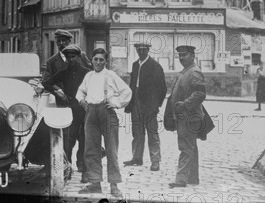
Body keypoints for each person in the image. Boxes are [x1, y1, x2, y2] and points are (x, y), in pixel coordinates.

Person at [76, 48, 132, 198]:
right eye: (96, 59)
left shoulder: (111, 75)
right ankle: (95, 183)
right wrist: (82, 101)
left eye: (101, 59)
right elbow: (80, 91)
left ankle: (114, 185)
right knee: (91, 149)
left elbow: (127, 91)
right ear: (92, 60)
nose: (98, 62)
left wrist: (116, 103)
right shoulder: (88, 76)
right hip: (91, 114)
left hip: (107, 113)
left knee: (111, 149)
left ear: (106, 61)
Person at [42, 44, 91, 181]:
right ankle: (67, 168)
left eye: (73, 56)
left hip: (85, 109)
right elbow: (46, 82)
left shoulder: (87, 72)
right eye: (68, 57)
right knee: (68, 140)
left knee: (86, 139)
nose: (70, 59)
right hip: (70, 110)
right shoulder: (64, 72)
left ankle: (85, 171)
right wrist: (58, 92)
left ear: (79, 57)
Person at [124, 43, 167, 171]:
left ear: (148, 50)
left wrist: (156, 104)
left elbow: (162, 88)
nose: (141, 52)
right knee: (137, 132)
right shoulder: (135, 65)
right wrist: (130, 103)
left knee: (152, 132)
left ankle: (155, 161)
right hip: (136, 101)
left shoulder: (155, 66)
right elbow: (132, 85)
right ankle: (136, 158)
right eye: (139, 50)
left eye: (143, 49)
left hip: (149, 104)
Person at [168, 45, 206, 188]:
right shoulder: (186, 71)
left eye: (184, 55)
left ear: (192, 55)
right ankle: (193, 178)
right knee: (191, 147)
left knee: (185, 147)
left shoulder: (194, 72)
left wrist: (184, 104)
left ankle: (181, 179)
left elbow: (200, 94)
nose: (182, 58)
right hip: (185, 116)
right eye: (179, 55)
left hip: (190, 117)